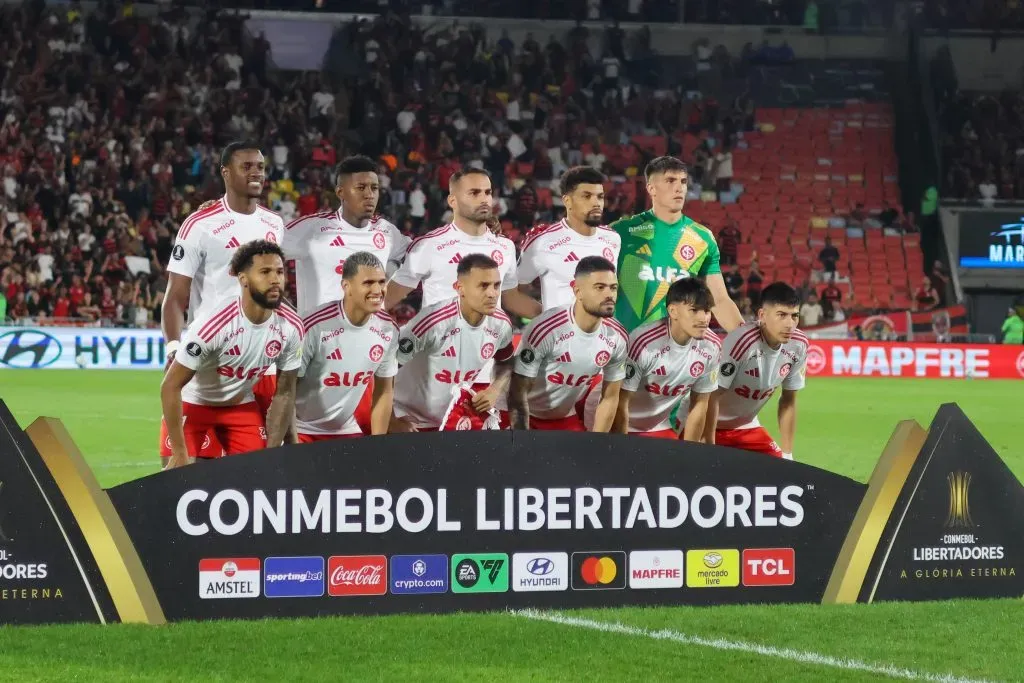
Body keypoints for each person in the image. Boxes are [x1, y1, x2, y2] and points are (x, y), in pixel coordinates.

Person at [159, 141, 285, 462]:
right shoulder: (201, 224)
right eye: (247, 167)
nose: (256, 172)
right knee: (187, 472)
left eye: (260, 166)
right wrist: (174, 348)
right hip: (211, 360)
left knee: (261, 474)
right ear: (225, 173)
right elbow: (175, 296)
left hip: (261, 363)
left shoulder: (274, 224)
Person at [160, 240, 302, 469]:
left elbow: (285, 392)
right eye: (265, 272)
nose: (275, 279)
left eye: (279, 271)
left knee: (258, 481)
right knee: (179, 484)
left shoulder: (292, 327)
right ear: (243, 279)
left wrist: (272, 452)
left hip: (240, 406)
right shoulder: (214, 325)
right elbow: (170, 385)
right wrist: (179, 451)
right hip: (194, 403)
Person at [608, 156, 743, 334]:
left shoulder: (703, 239)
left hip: (675, 353)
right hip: (624, 347)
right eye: (670, 180)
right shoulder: (620, 232)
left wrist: (747, 341)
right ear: (651, 188)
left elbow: (718, 300)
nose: (679, 187)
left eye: (683, 181)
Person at [385, 167, 539, 318]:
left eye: (488, 192)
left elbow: (511, 299)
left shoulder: (505, 246)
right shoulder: (429, 245)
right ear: (453, 201)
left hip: (488, 342)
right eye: (474, 193)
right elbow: (386, 299)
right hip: (440, 342)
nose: (484, 199)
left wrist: (554, 316)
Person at [390, 254, 516, 432]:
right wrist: (391, 421)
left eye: (496, 285)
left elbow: (507, 362)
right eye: (483, 286)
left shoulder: (501, 324)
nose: (492, 293)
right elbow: (384, 370)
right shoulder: (433, 322)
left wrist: (494, 389)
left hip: (451, 420)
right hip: (410, 420)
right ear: (459, 288)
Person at [508, 256, 628, 431]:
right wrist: (521, 441)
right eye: (600, 287)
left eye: (613, 288)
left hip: (563, 418)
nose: (609, 294)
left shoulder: (617, 336)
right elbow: (518, 392)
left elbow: (610, 398)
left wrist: (598, 445)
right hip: (522, 414)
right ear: (577, 291)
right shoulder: (547, 329)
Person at [282, 155, 409, 316]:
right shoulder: (310, 229)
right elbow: (253, 258)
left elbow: (422, 256)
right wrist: (290, 317)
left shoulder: (387, 232)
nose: (369, 194)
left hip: (370, 338)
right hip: (319, 338)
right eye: (361, 188)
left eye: (374, 188)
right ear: (340, 192)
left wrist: (388, 296)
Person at [295, 252, 400, 441]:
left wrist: (378, 445)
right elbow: (285, 389)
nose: (378, 290)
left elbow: (384, 391)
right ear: (346, 286)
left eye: (382, 282)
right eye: (368, 283)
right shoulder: (313, 326)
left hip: (344, 429)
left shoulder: (388, 329)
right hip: (300, 428)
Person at [610, 278, 721, 440]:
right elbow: (620, 401)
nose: (703, 318)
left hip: (658, 426)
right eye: (694, 310)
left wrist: (690, 453)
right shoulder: (644, 342)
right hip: (618, 423)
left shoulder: (712, 346)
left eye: (707, 310)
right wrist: (623, 447)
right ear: (673, 311)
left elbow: (700, 404)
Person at [713, 282, 809, 460]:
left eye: (794, 316)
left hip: (746, 427)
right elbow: (709, 398)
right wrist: (704, 444)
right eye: (781, 315)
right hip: (709, 425)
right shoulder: (743, 341)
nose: (790, 324)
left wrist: (787, 455)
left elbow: (788, 401)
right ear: (762, 315)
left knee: (785, 477)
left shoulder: (799, 345)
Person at [517, 166, 621, 310]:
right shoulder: (543, 241)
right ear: (567, 201)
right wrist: (547, 321)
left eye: (600, 196)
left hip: (604, 331)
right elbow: (513, 291)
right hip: (558, 332)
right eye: (587, 196)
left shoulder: (613, 238)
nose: (596, 203)